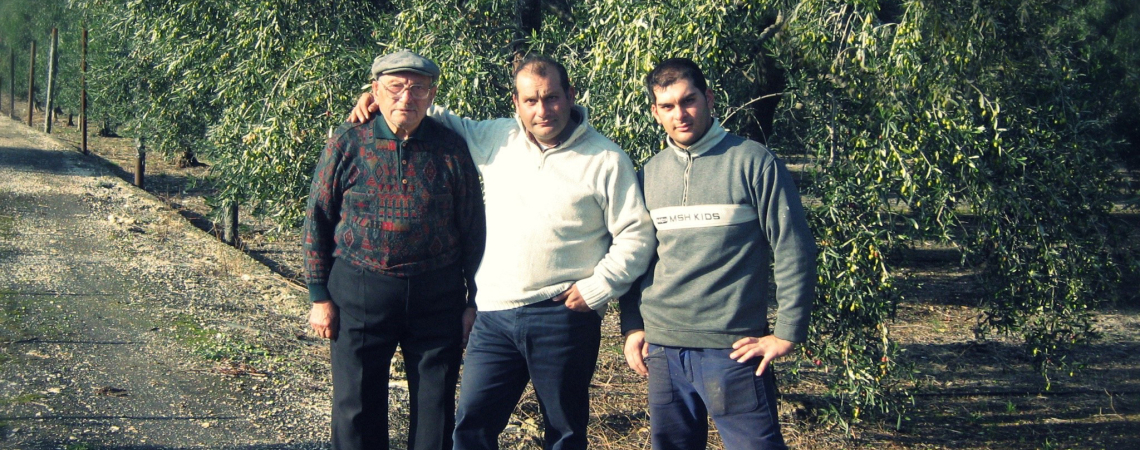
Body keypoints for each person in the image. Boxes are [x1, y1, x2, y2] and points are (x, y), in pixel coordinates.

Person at [349, 54, 656, 450]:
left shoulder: (606, 159)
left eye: (551, 98)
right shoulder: (496, 138)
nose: (542, 110)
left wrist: (599, 287)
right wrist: (385, 99)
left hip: (562, 316)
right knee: (471, 427)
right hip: (494, 319)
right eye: (531, 100)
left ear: (571, 96)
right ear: (516, 103)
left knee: (563, 432)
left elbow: (637, 235)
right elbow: (434, 113)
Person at [619, 57, 817, 450]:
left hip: (734, 351)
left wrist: (786, 333)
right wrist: (633, 326)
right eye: (668, 106)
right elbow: (634, 254)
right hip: (663, 350)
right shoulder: (648, 174)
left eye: (688, 100)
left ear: (708, 98)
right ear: (655, 113)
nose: (681, 114)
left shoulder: (754, 162)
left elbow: (794, 247)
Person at [304, 49, 486, 450]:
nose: (407, 97)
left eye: (418, 88)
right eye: (396, 86)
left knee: (436, 406)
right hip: (360, 289)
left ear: (432, 94)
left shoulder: (452, 148)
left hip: (437, 296)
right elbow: (318, 218)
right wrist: (319, 296)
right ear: (375, 90)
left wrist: (474, 301)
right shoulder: (347, 142)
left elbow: (474, 229)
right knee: (355, 408)